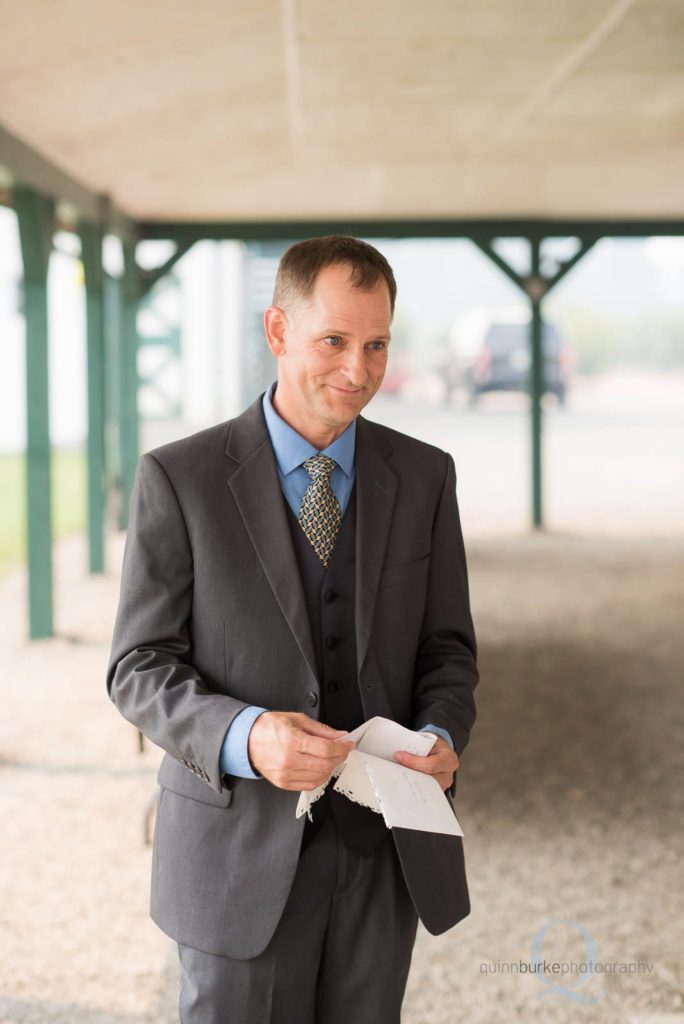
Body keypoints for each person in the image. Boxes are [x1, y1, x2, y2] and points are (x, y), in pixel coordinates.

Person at [107, 235, 478, 1024]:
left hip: (385, 855)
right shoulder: (180, 479)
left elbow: (447, 647)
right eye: (334, 341)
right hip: (236, 858)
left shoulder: (425, 475)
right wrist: (245, 736)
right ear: (277, 332)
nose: (358, 370)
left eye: (376, 344)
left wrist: (444, 731)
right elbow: (138, 666)